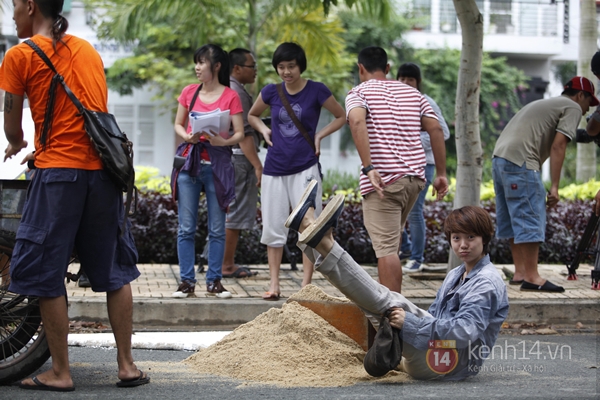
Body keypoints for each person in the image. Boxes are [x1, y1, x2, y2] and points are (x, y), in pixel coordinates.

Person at [1, 0, 149, 391]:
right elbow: (86, 115)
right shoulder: (86, 50)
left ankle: (61, 373)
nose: (12, 13)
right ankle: (127, 366)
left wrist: (19, 144)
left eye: (14, 6)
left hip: (58, 178)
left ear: (31, 7)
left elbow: (13, 128)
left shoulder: (19, 55)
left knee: (47, 272)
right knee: (114, 273)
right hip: (101, 175)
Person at [289, 183, 508, 380]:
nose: (463, 245)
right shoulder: (456, 274)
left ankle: (318, 238)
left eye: (471, 237)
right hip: (433, 356)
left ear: (485, 238)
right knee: (376, 304)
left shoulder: (486, 282)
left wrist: (410, 323)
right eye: (456, 238)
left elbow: (465, 332)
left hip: (452, 363)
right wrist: (410, 323)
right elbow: (435, 317)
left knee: (390, 302)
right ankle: (311, 235)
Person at [346, 46, 448, 293]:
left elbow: (357, 121)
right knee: (393, 241)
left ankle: (392, 317)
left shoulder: (358, 93)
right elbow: (436, 129)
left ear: (360, 68)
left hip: (384, 181)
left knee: (386, 249)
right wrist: (442, 173)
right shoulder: (412, 93)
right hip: (414, 180)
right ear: (388, 68)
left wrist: (369, 167)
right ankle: (394, 311)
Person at [248, 42, 345, 301]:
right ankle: (274, 284)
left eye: (291, 66)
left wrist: (319, 136)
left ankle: (306, 285)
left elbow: (341, 116)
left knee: (309, 226)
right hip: (274, 168)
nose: (287, 71)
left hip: (305, 167)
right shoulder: (271, 91)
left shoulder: (316, 90)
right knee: (273, 226)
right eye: (281, 67)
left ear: (300, 66)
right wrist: (263, 130)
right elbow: (252, 115)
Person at [492, 76, 599, 292]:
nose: (588, 110)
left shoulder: (544, 103)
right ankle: (532, 277)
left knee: (514, 218)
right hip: (522, 162)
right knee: (531, 215)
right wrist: (555, 187)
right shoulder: (572, 107)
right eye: (589, 103)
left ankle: (521, 272)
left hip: (499, 159)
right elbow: (559, 146)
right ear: (580, 96)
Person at [171, 44, 245, 298]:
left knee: (216, 228)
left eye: (202, 62)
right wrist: (189, 137)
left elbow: (240, 133)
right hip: (190, 164)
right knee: (186, 228)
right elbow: (178, 124)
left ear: (216, 66)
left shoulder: (230, 96)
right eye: (197, 62)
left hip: (218, 165)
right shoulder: (189, 92)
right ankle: (186, 282)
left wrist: (222, 142)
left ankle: (214, 281)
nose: (197, 67)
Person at [395, 62, 451, 274]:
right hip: (401, 165)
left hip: (423, 165)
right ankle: (407, 249)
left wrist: (413, 142)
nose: (405, 83)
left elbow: (442, 132)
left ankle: (417, 258)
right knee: (396, 209)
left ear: (418, 82)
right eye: (402, 79)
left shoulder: (425, 101)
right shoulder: (394, 102)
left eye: (410, 79)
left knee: (415, 212)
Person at [220, 48, 261, 279]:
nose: (255, 71)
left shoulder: (225, 88)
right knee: (234, 215)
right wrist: (257, 165)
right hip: (239, 158)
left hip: (226, 158)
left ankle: (221, 263)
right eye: (251, 66)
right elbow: (244, 133)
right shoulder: (237, 93)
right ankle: (227, 265)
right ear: (237, 68)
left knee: (226, 212)